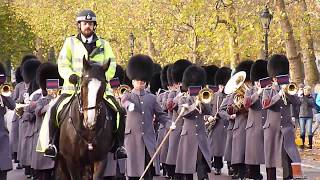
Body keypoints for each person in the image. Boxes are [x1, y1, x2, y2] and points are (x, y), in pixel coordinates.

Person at [44, 9, 126, 159]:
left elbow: (112, 64)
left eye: (90, 23)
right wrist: (71, 76)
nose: (87, 26)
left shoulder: (104, 44)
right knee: (54, 109)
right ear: (79, 25)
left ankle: (120, 146)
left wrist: (102, 78)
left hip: (99, 88)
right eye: (85, 23)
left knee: (120, 111)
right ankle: (52, 144)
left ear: (94, 26)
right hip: (73, 88)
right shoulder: (70, 42)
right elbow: (63, 63)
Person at [121, 54, 171, 180]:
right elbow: (124, 102)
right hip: (132, 140)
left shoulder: (151, 98)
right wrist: (129, 106)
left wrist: (170, 123)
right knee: (133, 173)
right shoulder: (127, 96)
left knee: (148, 172)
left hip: (148, 139)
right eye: (138, 81)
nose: (140, 83)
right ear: (132, 81)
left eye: (142, 81)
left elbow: (161, 115)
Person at [262, 54, 301, 180]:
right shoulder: (268, 90)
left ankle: (291, 176)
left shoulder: (290, 89)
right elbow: (265, 104)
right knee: (270, 156)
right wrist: (279, 94)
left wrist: (287, 92)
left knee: (289, 154)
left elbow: (297, 102)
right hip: (272, 127)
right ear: (274, 79)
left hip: (286, 126)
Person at [175, 65, 212, 180]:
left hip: (200, 133)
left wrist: (202, 102)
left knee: (201, 160)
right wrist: (193, 106)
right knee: (187, 164)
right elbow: (183, 113)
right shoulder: (183, 98)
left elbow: (208, 111)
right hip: (188, 134)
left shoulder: (202, 96)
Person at [243, 60, 268, 180]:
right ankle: (253, 174)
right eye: (256, 81)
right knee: (253, 154)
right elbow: (246, 104)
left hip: (265, 124)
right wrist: (257, 93)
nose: (258, 83)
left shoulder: (269, 90)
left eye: (260, 81)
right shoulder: (250, 90)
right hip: (253, 125)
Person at [0, 63, 16, 180]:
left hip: (1, 135)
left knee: (3, 169)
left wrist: (3, 94)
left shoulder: (2, 93)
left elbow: (12, 105)